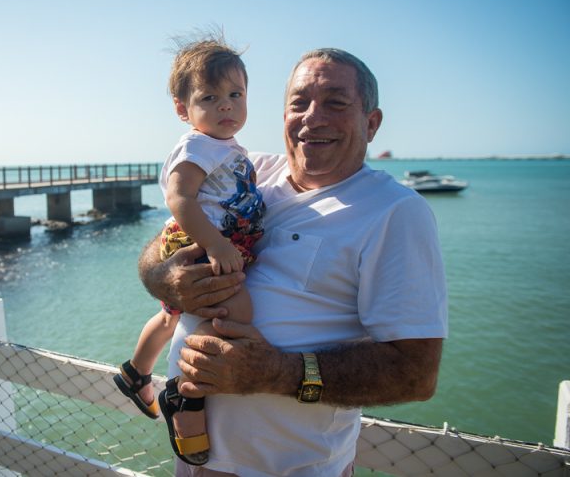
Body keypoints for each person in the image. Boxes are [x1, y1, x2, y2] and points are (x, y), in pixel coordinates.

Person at [138, 48, 448, 476]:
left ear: (371, 123)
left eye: (336, 103)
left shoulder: (395, 212)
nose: (312, 118)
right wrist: (164, 276)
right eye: (299, 103)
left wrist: (276, 373)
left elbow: (415, 373)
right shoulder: (248, 170)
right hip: (196, 461)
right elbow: (168, 236)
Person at [114, 37, 264, 466]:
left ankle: (134, 372)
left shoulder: (228, 148)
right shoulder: (199, 145)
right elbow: (179, 199)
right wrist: (216, 244)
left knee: (170, 316)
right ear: (184, 109)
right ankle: (187, 397)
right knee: (237, 310)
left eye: (236, 95)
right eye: (210, 98)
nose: (226, 107)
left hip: (206, 242)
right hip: (203, 245)